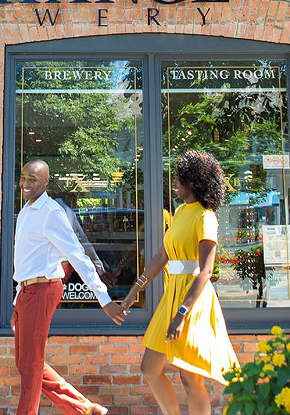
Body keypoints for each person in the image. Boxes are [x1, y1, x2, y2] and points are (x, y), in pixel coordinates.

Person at [117, 151, 238, 415]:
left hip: (193, 299)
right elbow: (162, 255)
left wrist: (182, 313)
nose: (174, 183)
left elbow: (205, 271)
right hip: (171, 295)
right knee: (149, 368)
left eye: (178, 179)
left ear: (193, 181)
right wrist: (134, 291)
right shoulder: (181, 211)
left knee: (190, 377)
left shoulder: (206, 217)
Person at [13, 159, 126, 415]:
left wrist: (103, 299)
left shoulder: (51, 213)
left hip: (42, 290)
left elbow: (77, 255)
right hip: (27, 291)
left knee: (30, 365)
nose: (25, 184)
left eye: (32, 179)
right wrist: (16, 302)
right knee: (25, 363)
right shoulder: (27, 211)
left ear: (45, 182)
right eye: (23, 178)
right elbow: (25, 262)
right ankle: (85, 409)